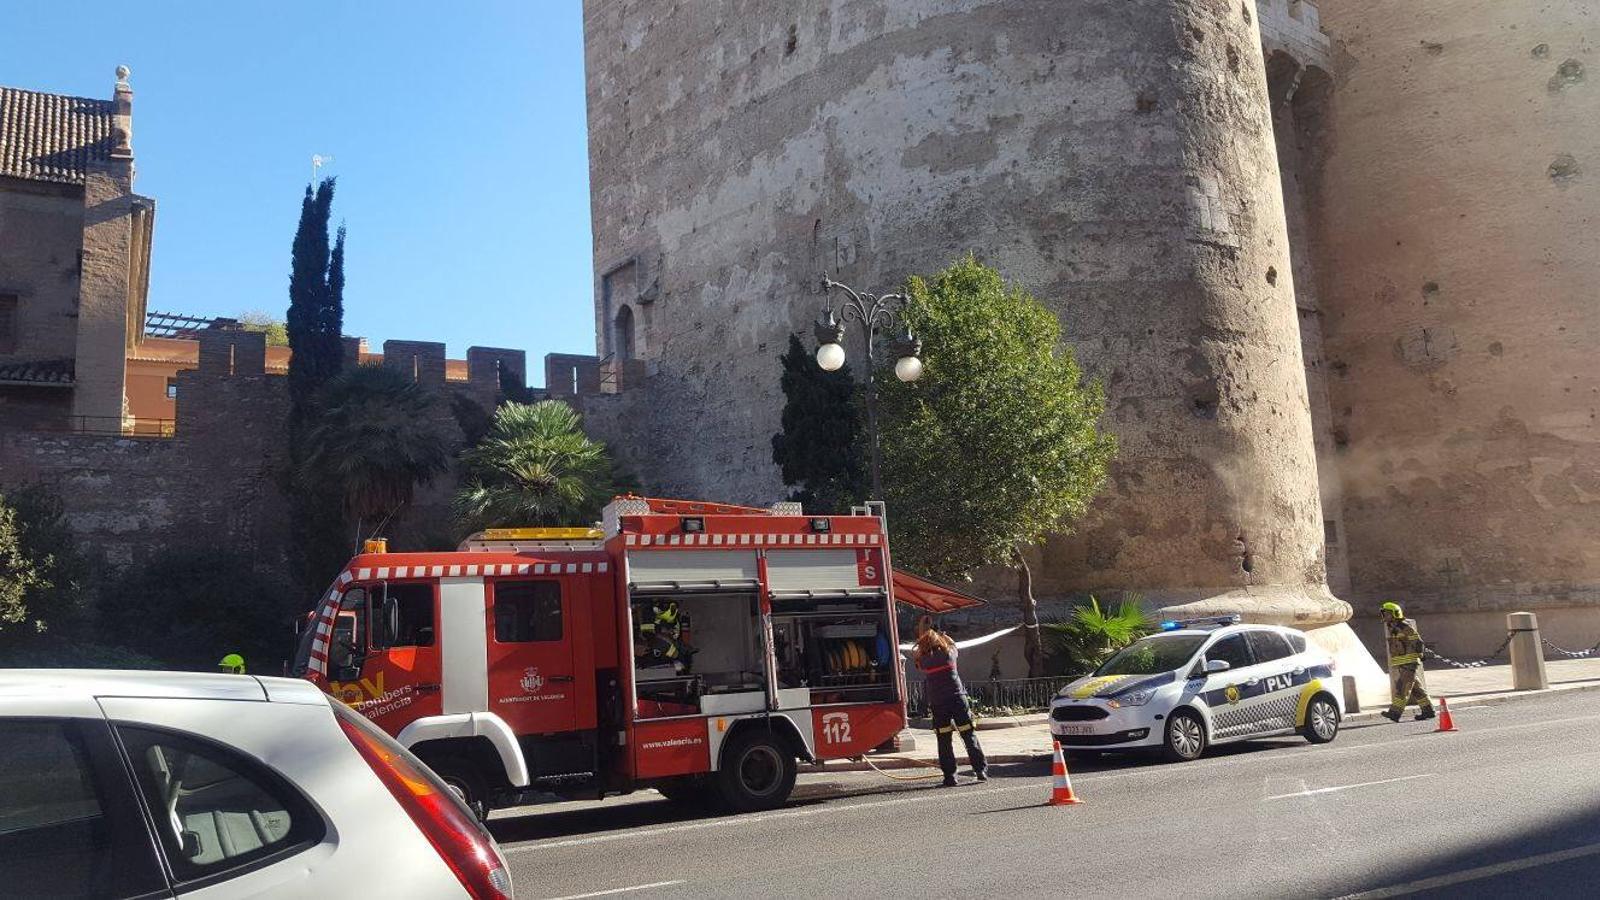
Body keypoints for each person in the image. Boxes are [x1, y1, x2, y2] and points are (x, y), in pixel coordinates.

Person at [913, 615, 987, 786]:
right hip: (958, 700)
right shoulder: (949, 654)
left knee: (944, 740)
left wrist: (922, 630)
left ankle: (950, 776)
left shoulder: (924, 661)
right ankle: (980, 770)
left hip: (939, 703)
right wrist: (942, 635)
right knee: (969, 736)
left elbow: (917, 655)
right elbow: (953, 644)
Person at [1380, 601, 1435, 722]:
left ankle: (1395, 713)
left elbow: (1418, 641)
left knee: (1402, 688)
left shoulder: (1404, 627)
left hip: (1409, 663)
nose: (1385, 616)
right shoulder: (1392, 627)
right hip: (1402, 663)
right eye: (1384, 614)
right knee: (1417, 689)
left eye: (1387, 614)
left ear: (1395, 614)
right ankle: (1428, 710)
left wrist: (1421, 654)